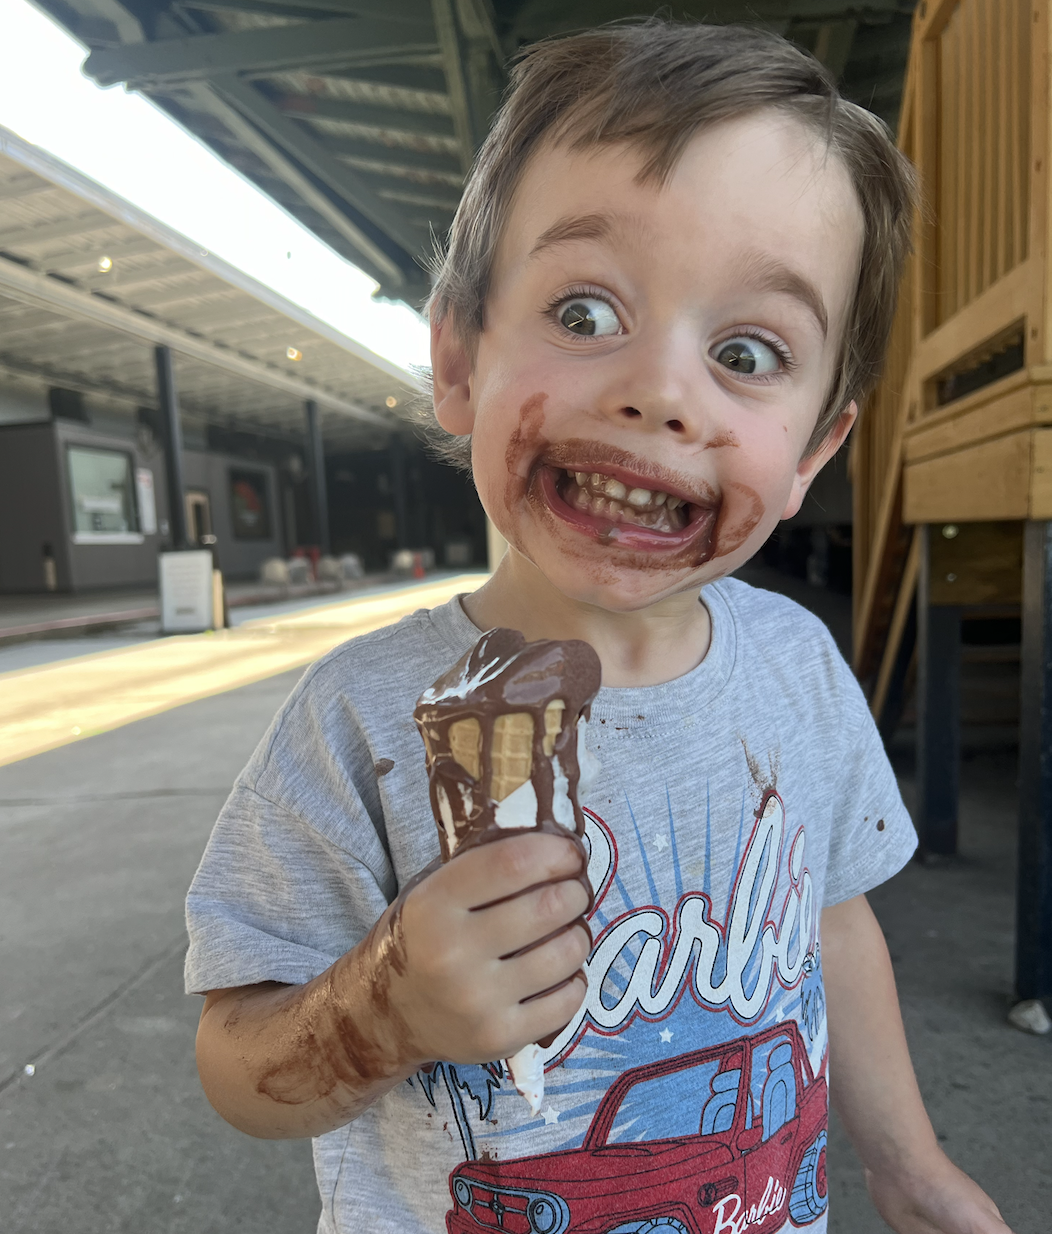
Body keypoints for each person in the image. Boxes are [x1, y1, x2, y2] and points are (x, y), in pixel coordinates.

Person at [186, 20, 1013, 1234]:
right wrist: (384, 1010)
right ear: (460, 362)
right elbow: (232, 1063)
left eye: (745, 351)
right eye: (583, 313)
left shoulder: (795, 670)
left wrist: (910, 1164)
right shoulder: (360, 717)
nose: (660, 390)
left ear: (813, 452)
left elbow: (830, 926)